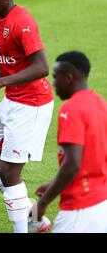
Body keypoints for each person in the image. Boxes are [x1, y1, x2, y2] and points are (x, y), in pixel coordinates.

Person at [0, 0, 54, 233]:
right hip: (12, 100)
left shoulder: (23, 22)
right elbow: (6, 62)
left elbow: (42, 67)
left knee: (10, 174)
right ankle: (34, 219)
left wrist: (1, 84)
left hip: (32, 104)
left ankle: (26, 227)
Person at [35, 51, 107, 233]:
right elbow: (90, 157)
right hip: (100, 204)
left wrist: (43, 203)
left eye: (55, 77)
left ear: (68, 78)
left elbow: (72, 163)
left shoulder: (71, 109)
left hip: (79, 211)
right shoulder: (100, 103)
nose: (53, 83)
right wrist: (54, 183)